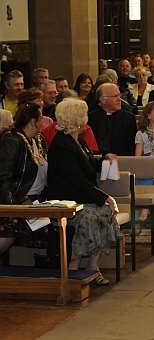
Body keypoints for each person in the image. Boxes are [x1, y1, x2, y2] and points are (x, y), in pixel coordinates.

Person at [47, 98, 118, 285]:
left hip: (78, 196)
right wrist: (104, 197)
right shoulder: (62, 144)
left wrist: (104, 160)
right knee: (90, 215)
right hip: (65, 200)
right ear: (77, 117)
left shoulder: (78, 140)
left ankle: (93, 267)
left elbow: (87, 164)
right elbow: (75, 180)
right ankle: (73, 267)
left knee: (103, 212)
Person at [0, 103, 47, 254]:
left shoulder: (39, 141)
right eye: (42, 117)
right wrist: (12, 208)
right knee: (10, 231)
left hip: (37, 200)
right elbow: (4, 177)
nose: (45, 120)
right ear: (33, 121)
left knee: (52, 226)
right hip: (18, 199)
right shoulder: (12, 140)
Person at [89, 83, 137, 156]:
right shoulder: (91, 118)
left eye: (119, 95)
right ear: (103, 100)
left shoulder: (129, 118)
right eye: (115, 96)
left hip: (122, 162)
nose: (119, 99)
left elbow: (132, 147)